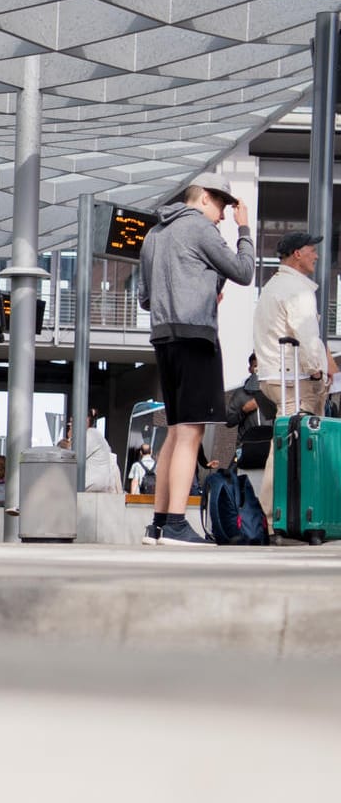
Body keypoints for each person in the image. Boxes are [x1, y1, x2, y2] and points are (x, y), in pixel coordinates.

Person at [136, 172, 254, 545]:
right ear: (203, 198)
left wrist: (199, 288)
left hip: (164, 338)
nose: (222, 215)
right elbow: (244, 272)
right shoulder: (201, 229)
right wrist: (245, 229)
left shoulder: (154, 235)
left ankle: (157, 524)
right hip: (196, 338)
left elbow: (145, 298)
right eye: (220, 205)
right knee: (192, 431)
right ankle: (175, 523)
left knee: (174, 431)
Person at [253, 230, 338, 526]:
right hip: (296, 380)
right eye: (311, 250)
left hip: (273, 375)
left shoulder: (273, 286)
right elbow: (306, 335)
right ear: (297, 254)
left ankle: (281, 514)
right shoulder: (297, 289)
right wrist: (318, 370)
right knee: (288, 447)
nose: (316, 255)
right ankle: (272, 515)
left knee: (286, 442)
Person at [81, 409, 123, 493]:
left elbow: (75, 458)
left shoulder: (90, 435)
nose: (71, 426)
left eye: (72, 422)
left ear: (86, 420)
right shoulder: (97, 435)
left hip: (91, 487)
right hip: (98, 488)